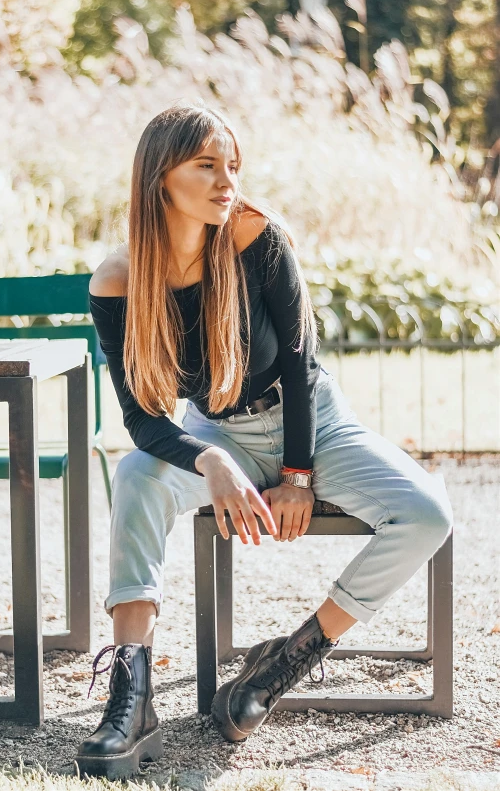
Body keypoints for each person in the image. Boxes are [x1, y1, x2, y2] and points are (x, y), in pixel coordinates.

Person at [75, 101, 453, 779]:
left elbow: (303, 366)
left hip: (314, 426)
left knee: (428, 513)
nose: (228, 181)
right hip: (215, 433)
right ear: (161, 176)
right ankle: (130, 696)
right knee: (136, 472)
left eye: (233, 165)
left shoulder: (257, 236)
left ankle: (287, 658)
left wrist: (298, 474)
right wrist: (212, 457)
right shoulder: (119, 278)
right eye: (208, 166)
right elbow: (142, 421)